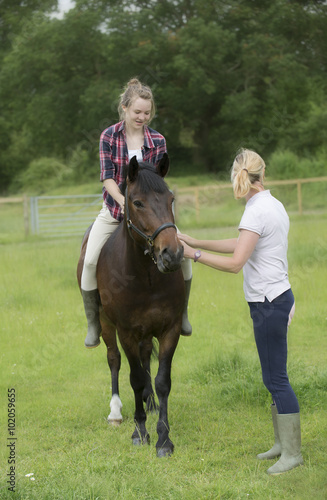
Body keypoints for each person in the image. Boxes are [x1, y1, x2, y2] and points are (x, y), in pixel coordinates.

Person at [178, 148, 303, 475]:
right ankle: (281, 444)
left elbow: (236, 263)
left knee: (276, 378)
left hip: (268, 302)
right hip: (277, 297)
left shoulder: (255, 211)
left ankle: (292, 453)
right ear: (262, 173)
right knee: (272, 377)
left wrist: (193, 253)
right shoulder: (272, 204)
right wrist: (197, 240)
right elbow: (241, 243)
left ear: (240, 177)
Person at [81, 78, 193, 349]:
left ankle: (183, 312)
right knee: (89, 262)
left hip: (152, 215)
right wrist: (121, 201)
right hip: (114, 210)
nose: (142, 117)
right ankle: (94, 322)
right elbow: (107, 177)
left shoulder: (158, 140)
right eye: (137, 112)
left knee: (185, 257)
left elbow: (159, 182)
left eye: (147, 113)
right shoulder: (108, 136)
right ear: (124, 109)